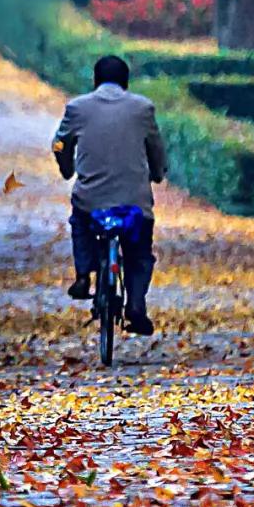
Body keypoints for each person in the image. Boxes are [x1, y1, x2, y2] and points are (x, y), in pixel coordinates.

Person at [52, 54, 167, 336]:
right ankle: (136, 304)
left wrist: (66, 168)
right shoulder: (143, 109)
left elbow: (58, 143)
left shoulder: (77, 108)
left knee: (80, 224)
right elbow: (155, 148)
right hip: (134, 203)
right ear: (126, 82)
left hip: (91, 200)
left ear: (95, 80)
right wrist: (158, 173)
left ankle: (82, 275)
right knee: (139, 253)